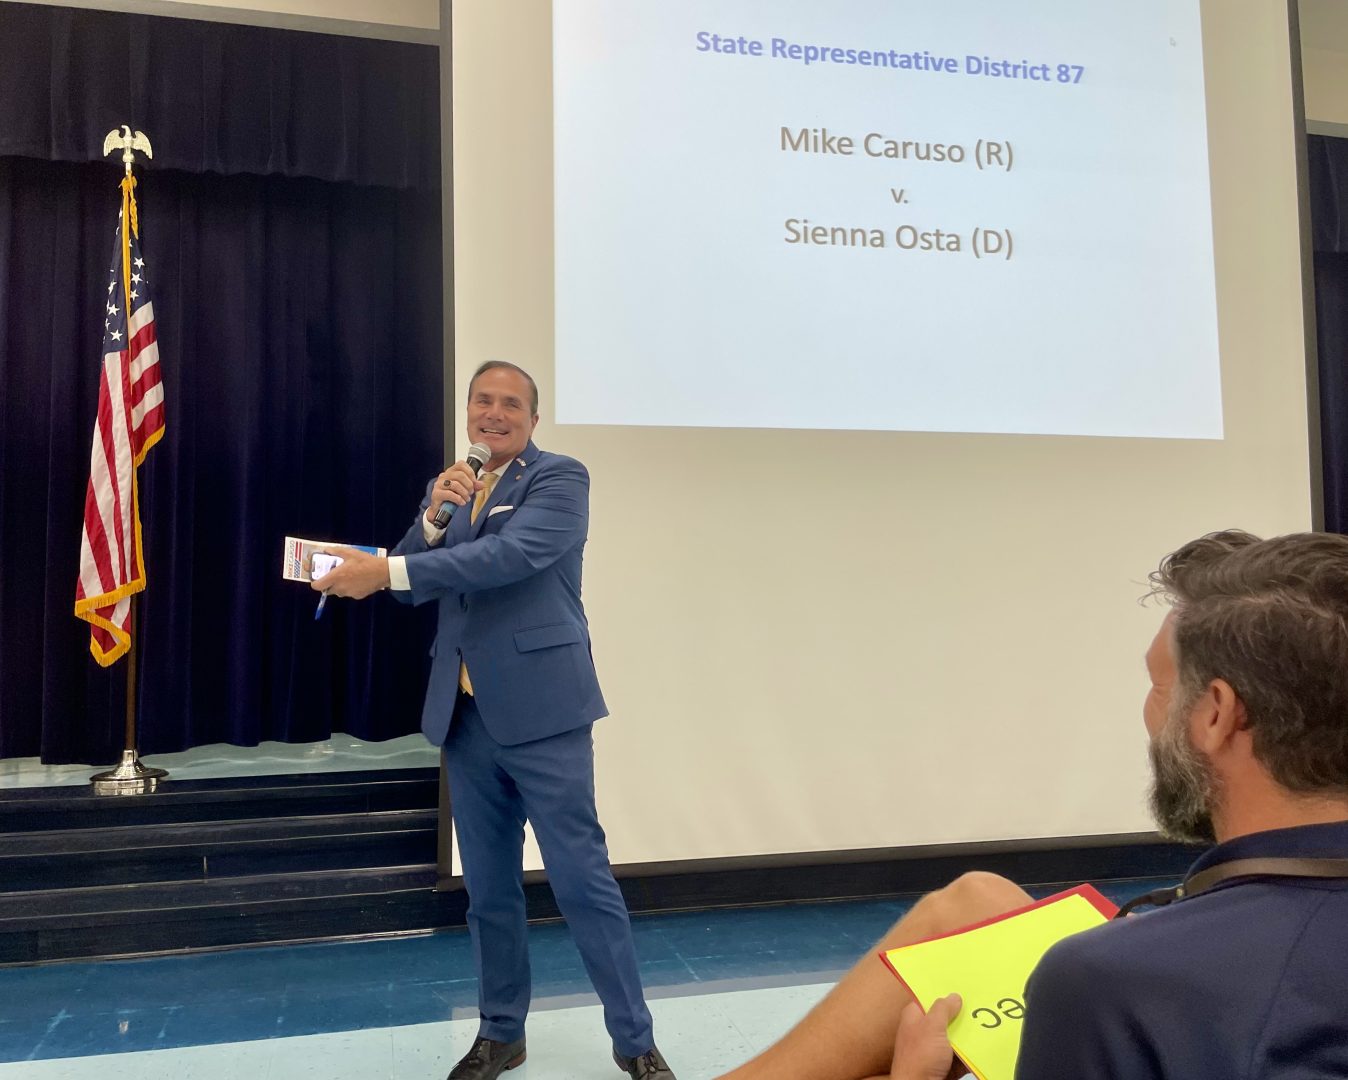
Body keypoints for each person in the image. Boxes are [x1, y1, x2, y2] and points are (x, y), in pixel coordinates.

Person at [725, 530, 1348, 1080]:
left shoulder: (1108, 981)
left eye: (1162, 686)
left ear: (1216, 713)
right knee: (977, 902)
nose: (1149, 712)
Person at [313, 361, 675, 1080]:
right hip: (466, 716)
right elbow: (413, 585)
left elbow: (510, 557)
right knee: (489, 891)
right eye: (483, 401)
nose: (494, 413)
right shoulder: (450, 487)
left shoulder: (560, 478)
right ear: (469, 412)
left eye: (512, 404)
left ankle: (635, 1042)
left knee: (582, 882)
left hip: (545, 712)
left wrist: (386, 571)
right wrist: (428, 521)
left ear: (533, 420)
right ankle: (500, 1032)